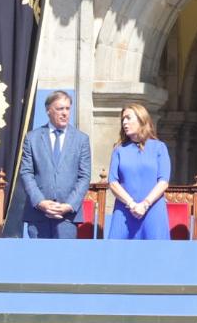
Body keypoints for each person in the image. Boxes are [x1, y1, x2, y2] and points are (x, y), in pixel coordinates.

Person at [19, 90, 92, 239]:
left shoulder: (81, 139)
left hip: (67, 216)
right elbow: (26, 173)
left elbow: (84, 176)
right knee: (38, 260)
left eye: (67, 108)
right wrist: (40, 202)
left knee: (64, 260)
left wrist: (69, 205)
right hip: (38, 214)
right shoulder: (32, 138)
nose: (65, 113)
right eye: (60, 109)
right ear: (48, 111)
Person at [106, 103, 172, 240]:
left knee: (156, 254)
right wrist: (131, 204)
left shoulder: (159, 147)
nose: (124, 122)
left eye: (128, 118)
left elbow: (164, 181)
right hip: (124, 210)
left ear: (141, 119)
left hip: (153, 209)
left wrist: (145, 204)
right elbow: (112, 182)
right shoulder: (119, 149)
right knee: (118, 255)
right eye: (123, 119)